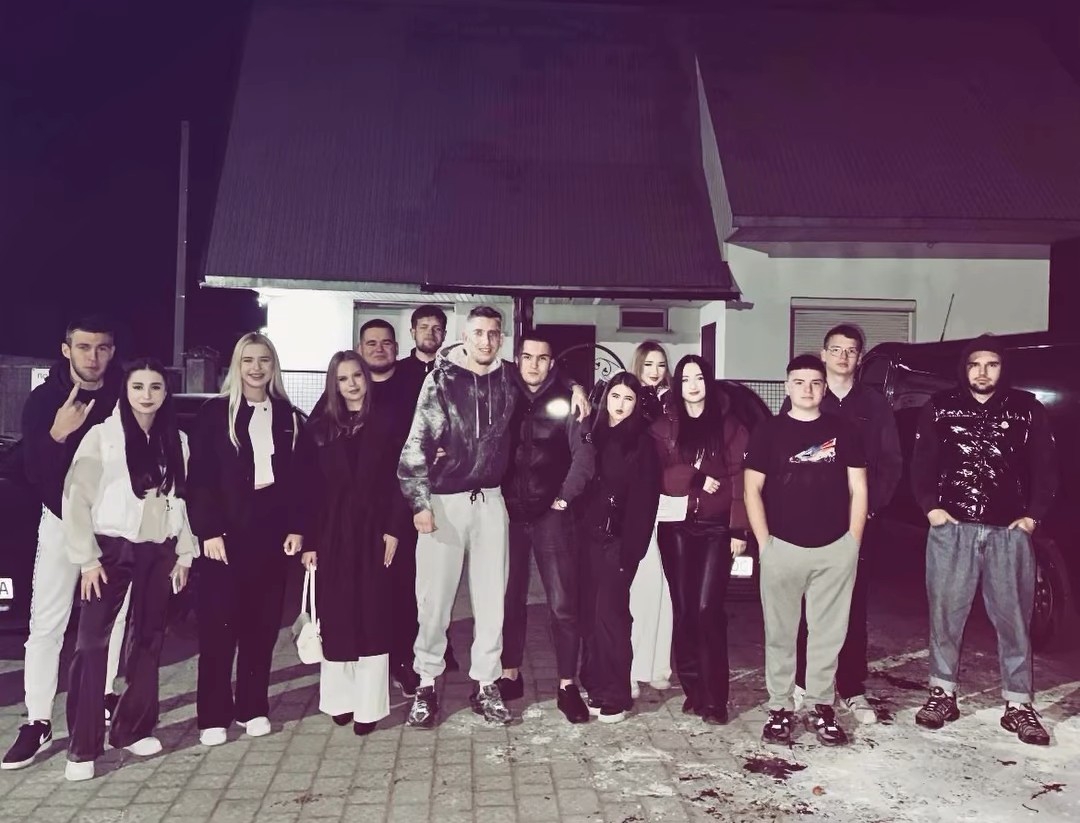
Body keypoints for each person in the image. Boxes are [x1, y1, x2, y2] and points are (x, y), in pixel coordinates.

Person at [910, 336, 1056, 746]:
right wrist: (931, 508)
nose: (982, 372)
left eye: (991, 364)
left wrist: (1033, 517)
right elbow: (921, 463)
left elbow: (1047, 468)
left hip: (1008, 531)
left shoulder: (1027, 409)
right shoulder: (940, 407)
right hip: (952, 527)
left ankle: (1018, 704)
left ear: (1002, 369)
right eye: (975, 364)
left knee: (1014, 619)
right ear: (965, 368)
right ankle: (942, 693)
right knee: (945, 615)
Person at [60, 358, 199, 781]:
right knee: (90, 644)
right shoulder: (102, 437)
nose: (146, 395)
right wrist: (87, 559)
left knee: (149, 639)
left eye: (155, 387)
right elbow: (76, 497)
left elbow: (183, 500)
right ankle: (82, 748)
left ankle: (133, 728)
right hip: (110, 551)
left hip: (158, 551)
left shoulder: (177, 440)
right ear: (126, 390)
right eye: (138, 386)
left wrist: (185, 553)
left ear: (165, 393)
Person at [3, 316, 129, 772]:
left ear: (112, 351)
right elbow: (29, 469)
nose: (93, 357)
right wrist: (57, 432)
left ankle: (106, 696)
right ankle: (37, 720)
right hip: (60, 520)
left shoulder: (123, 393)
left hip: (111, 524)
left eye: (102, 347)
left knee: (113, 618)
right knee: (47, 622)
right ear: (66, 350)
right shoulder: (44, 400)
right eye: (84, 347)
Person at [187, 332, 306, 746]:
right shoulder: (213, 414)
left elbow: (301, 479)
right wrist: (208, 530)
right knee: (219, 629)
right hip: (224, 535)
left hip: (270, 536)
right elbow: (199, 478)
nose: (256, 368)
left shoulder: (289, 416)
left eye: (264, 360)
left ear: (274, 366)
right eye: (248, 360)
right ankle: (213, 715)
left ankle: (252, 707)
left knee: (262, 628)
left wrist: (297, 527)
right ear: (236, 366)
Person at [744, 354, 867, 747]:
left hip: (834, 550)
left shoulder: (844, 430)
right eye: (799, 382)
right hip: (782, 549)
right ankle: (780, 708)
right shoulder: (768, 432)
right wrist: (765, 544)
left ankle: (820, 707)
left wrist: (852, 542)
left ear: (824, 388)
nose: (807, 389)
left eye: (815, 382)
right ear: (787, 386)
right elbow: (751, 489)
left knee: (828, 636)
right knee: (780, 634)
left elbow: (859, 487)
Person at [782, 324, 902, 725]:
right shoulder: (806, 397)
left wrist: (870, 509)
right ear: (823, 353)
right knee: (806, 604)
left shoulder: (874, 405)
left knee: (852, 607)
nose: (843, 357)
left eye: (851, 351)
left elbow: (891, 462)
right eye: (836, 349)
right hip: (809, 522)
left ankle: (850, 687)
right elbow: (786, 459)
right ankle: (803, 682)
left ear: (860, 358)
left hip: (856, 524)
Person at [292, 351, 410, 736]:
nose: (352, 384)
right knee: (337, 615)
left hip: (375, 529)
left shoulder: (388, 420)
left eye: (357, 376)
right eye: (343, 379)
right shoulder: (320, 427)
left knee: (373, 615)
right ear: (334, 384)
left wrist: (394, 529)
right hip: (332, 533)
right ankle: (340, 700)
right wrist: (310, 541)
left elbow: (401, 479)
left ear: (366, 377)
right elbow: (307, 488)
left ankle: (369, 705)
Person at [497, 333, 594, 723]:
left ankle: (567, 685)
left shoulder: (568, 400)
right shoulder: (504, 393)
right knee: (509, 599)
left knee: (562, 603)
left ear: (552, 363)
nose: (534, 364)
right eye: (527, 357)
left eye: (542, 358)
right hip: (509, 514)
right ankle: (510, 674)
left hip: (551, 516)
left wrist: (564, 498)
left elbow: (584, 456)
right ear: (517, 360)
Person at [650, 355, 750, 725]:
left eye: (699, 378)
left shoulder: (729, 425)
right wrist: (691, 475)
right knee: (684, 609)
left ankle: (716, 697)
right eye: (686, 379)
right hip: (675, 526)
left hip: (715, 528)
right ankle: (693, 689)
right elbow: (655, 475)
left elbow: (740, 477)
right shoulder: (664, 426)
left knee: (708, 609)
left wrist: (739, 528)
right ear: (678, 385)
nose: (693, 385)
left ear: (709, 382)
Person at [578, 372, 661, 723]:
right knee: (589, 615)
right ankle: (595, 684)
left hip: (619, 542)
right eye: (616, 396)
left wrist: (631, 552)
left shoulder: (642, 443)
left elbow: (645, 503)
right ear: (606, 398)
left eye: (628, 399)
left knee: (610, 615)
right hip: (587, 539)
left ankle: (617, 693)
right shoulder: (592, 434)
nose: (621, 405)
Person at [627, 341, 674, 697]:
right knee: (639, 587)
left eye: (661, 365)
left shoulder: (673, 403)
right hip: (636, 503)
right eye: (649, 365)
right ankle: (632, 666)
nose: (655, 371)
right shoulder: (628, 398)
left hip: (668, 503)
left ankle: (658, 665)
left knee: (664, 589)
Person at [394, 306, 448, 396]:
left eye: (437, 328)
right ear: (413, 333)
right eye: (423, 327)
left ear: (444, 335)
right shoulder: (395, 371)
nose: (430, 333)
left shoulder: (453, 373)